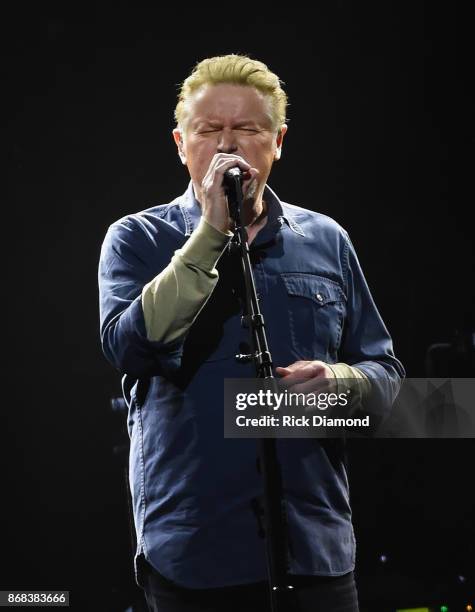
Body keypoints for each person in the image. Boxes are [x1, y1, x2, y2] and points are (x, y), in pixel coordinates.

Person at [98, 54, 405, 612]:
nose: (227, 145)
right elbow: (128, 348)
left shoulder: (327, 240)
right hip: (195, 555)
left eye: (247, 130)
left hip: (314, 551)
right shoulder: (136, 239)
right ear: (179, 142)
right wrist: (211, 233)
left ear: (278, 140)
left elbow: (388, 379)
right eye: (209, 130)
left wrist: (340, 383)